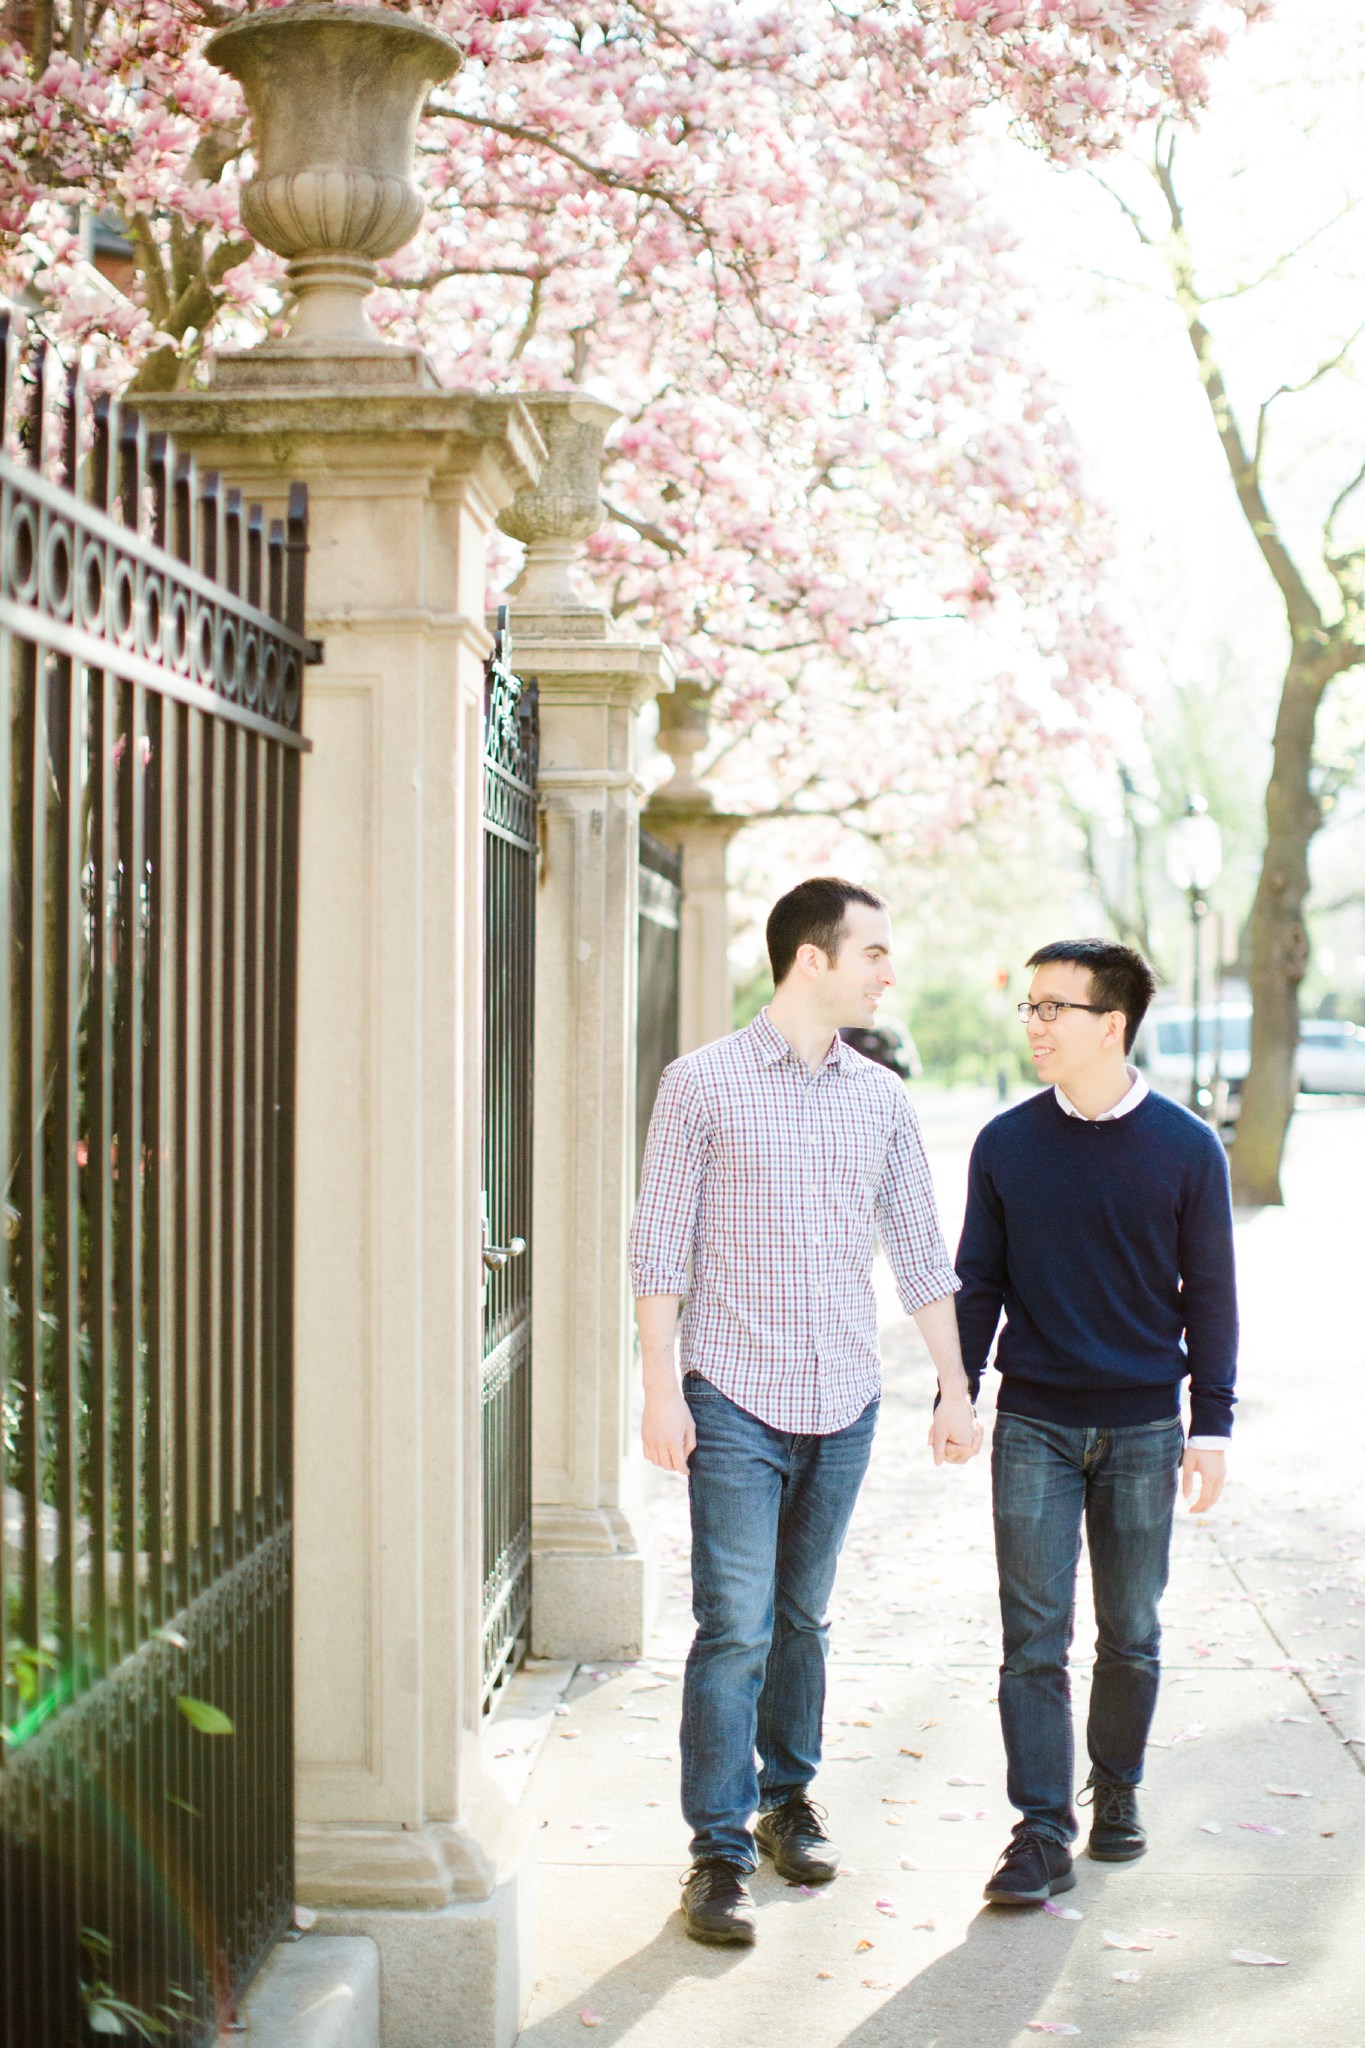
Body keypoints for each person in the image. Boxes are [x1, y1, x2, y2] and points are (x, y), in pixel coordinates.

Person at [629, 876, 980, 1947]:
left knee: (803, 1617)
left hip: (843, 1400)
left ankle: (788, 1799)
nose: (888, 968)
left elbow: (923, 1254)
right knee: (733, 1623)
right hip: (731, 1391)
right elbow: (659, 1248)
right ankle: (718, 1851)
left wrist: (954, 1387)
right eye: (872, 950)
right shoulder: (700, 1083)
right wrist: (657, 1387)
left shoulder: (881, 1098)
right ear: (810, 960)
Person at [954, 939, 1237, 1907]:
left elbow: (1213, 1297)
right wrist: (957, 1389)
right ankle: (1039, 1829)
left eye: (1052, 1008)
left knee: (1132, 1629)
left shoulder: (1189, 1147)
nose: (1033, 1023)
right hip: (1032, 1417)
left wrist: (1214, 1426)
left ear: (1110, 1024)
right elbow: (977, 1280)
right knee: (1033, 1637)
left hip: (1146, 1428)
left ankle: (1116, 1789)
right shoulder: (1005, 1143)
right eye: (1029, 1006)